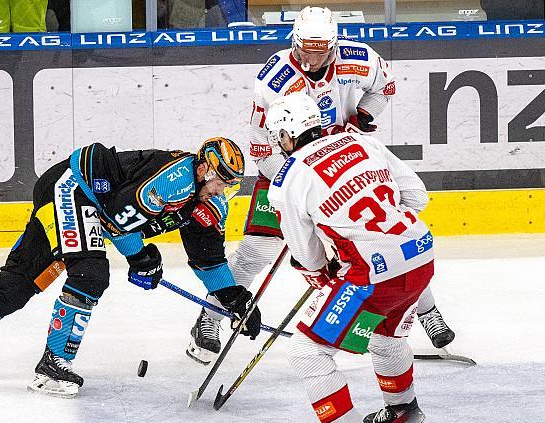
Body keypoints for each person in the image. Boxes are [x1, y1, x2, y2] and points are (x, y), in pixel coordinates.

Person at [186, 5, 454, 366]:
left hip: (346, 160)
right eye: (304, 50)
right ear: (293, 42)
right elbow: (260, 141)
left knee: (386, 235)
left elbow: (385, 86)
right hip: (285, 165)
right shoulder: (275, 78)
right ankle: (212, 315)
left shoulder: (358, 58)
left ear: (334, 45)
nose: (311, 59)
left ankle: (427, 310)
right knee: (257, 252)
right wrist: (298, 184)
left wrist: (364, 117)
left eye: (320, 51)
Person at [0, 138, 262, 397]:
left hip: (82, 200)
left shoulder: (209, 199)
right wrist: (141, 258)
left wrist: (234, 297)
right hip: (74, 189)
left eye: (230, 184)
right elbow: (115, 220)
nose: (223, 189)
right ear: (203, 168)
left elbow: (208, 257)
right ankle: (54, 364)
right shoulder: (175, 181)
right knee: (91, 274)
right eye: (220, 180)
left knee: (24, 280)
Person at [266, 93, 433, 423]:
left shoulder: (288, 178)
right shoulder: (362, 141)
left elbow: (308, 258)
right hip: (420, 254)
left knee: (308, 351)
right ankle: (403, 413)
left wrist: (333, 258)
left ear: (287, 136)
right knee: (386, 335)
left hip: (370, 275)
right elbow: (416, 197)